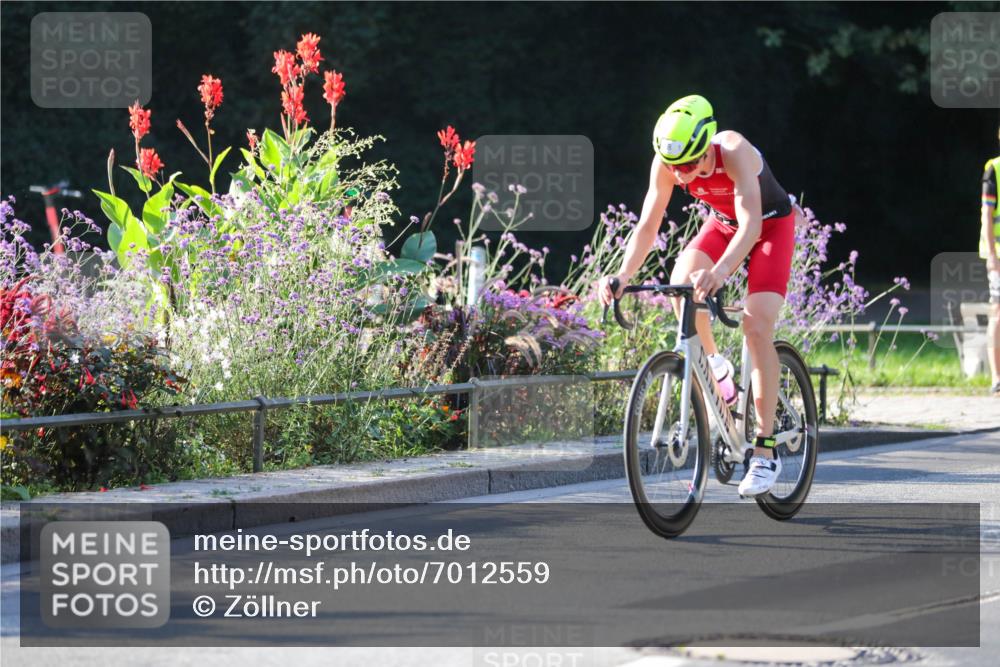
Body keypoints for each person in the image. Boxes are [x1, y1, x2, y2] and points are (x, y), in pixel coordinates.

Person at [598, 94, 801, 497]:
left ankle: (764, 450)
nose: (683, 175)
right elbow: (648, 223)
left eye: (689, 165)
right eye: (675, 167)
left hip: (769, 227)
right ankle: (716, 368)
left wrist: (721, 271)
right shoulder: (670, 163)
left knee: (755, 324)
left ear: (707, 144)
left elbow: (751, 226)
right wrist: (623, 274)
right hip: (724, 224)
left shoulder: (734, 151)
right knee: (680, 285)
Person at [980, 128, 1000, 396]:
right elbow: (987, 215)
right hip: (999, 255)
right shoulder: (994, 169)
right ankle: (997, 377)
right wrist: (993, 256)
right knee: (998, 314)